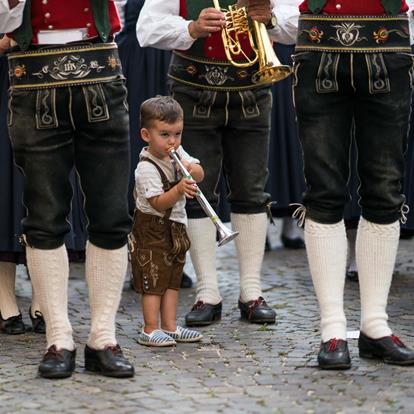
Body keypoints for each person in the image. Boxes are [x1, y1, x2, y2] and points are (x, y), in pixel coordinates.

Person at [137, 0, 298, 326]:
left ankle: (251, 291)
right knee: (197, 191)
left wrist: (273, 17)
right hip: (194, 90)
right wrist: (191, 29)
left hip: (252, 90)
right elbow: (147, 28)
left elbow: (299, 19)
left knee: (252, 190)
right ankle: (207, 291)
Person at [4, 0, 134, 379]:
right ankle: (58, 337)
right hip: (33, 78)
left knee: (111, 214)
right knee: (44, 216)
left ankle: (103, 337)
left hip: (100, 72)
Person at [294, 0, 414, 369]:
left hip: (389, 50)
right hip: (318, 52)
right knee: (324, 191)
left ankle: (374, 325)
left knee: (384, 189)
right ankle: (331, 328)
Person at [130, 96, 204, 346]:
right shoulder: (146, 168)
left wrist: (190, 168)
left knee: (173, 279)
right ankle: (150, 329)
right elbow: (158, 203)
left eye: (177, 134)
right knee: (153, 280)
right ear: (146, 135)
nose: (172, 141)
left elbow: (201, 173)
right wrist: (180, 189)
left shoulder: (177, 152)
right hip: (152, 228)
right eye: (165, 135)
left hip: (176, 227)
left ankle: (171, 327)